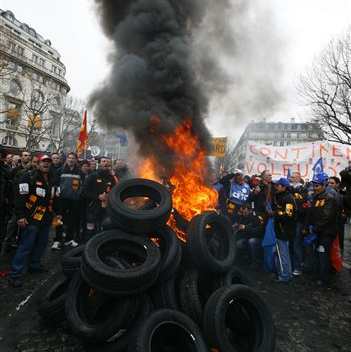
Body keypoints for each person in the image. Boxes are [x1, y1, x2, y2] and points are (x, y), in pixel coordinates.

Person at [8, 155, 61, 287]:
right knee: (25, 246)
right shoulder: (28, 176)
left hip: (46, 218)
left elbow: (54, 198)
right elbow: (20, 197)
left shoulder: (52, 178)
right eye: (44, 161)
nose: (46, 164)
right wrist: (20, 216)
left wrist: (57, 214)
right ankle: (15, 274)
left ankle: (34, 265)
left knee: (41, 244)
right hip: (31, 218)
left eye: (48, 162)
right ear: (37, 163)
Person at [309, 173, 337, 286]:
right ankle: (318, 275)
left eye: (317, 185)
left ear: (323, 185)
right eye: (314, 185)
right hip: (319, 231)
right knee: (318, 253)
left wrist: (315, 227)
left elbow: (327, 217)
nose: (315, 187)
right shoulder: (316, 196)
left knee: (323, 254)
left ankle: (324, 278)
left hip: (326, 232)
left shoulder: (329, 198)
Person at [52, 152, 83, 250]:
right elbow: (55, 184)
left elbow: (82, 186)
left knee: (72, 220)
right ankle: (57, 240)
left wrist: (78, 194)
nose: (71, 160)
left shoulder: (79, 172)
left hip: (74, 200)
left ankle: (69, 239)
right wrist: (56, 192)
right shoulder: (60, 170)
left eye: (73, 158)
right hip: (61, 200)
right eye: (69, 158)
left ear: (76, 160)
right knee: (58, 219)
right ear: (66, 159)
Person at [82, 157, 116, 240]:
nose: (106, 163)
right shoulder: (92, 176)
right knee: (90, 228)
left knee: (103, 228)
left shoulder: (111, 178)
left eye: (108, 162)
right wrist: (97, 196)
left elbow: (115, 190)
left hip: (106, 208)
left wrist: (109, 196)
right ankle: (87, 246)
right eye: (103, 161)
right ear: (99, 163)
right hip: (93, 207)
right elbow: (84, 191)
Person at [273, 178, 296, 283]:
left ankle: (285, 276)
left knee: (283, 254)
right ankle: (288, 273)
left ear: (283, 187)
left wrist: (277, 214)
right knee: (283, 253)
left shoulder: (288, 198)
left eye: (278, 185)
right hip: (281, 228)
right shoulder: (281, 196)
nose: (276, 186)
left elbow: (289, 215)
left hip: (284, 230)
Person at [234, 203, 264, 268]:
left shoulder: (256, 217)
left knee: (252, 241)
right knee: (238, 243)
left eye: (245, 211)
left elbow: (258, 231)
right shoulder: (243, 217)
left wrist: (245, 228)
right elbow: (239, 226)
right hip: (246, 238)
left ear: (249, 210)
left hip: (257, 238)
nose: (243, 213)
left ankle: (256, 262)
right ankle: (241, 260)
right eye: (242, 211)